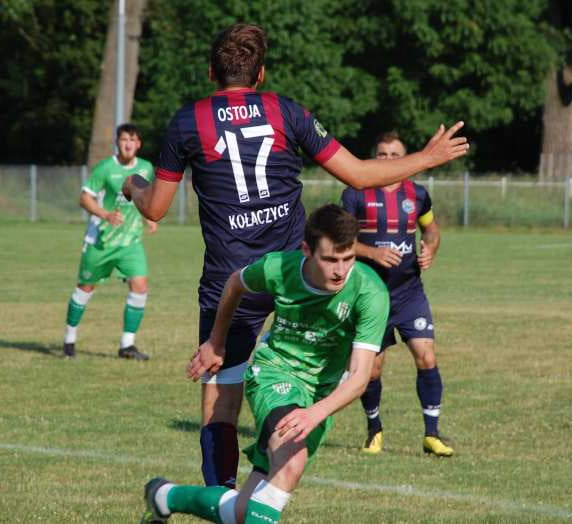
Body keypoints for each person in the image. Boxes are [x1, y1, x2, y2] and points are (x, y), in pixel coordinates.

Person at [123, 23, 468, 488]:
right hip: (299, 273)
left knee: (220, 405)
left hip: (236, 279)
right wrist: (426, 158)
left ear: (211, 72)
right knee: (309, 377)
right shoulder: (286, 112)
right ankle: (274, 474)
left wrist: (133, 185)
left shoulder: (189, 121)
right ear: (260, 74)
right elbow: (362, 175)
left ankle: (224, 495)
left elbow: (156, 208)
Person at [141, 204, 389, 524]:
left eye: (348, 258)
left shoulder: (370, 292)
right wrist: (217, 340)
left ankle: (164, 496)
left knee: (243, 511)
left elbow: (359, 376)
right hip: (275, 373)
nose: (340, 270)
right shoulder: (278, 269)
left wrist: (315, 412)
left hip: (320, 398)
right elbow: (234, 284)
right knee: (291, 461)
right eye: (329, 259)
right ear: (306, 251)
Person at [341, 131, 452, 457]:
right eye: (383, 154)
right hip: (371, 295)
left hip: (409, 293)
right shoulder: (356, 194)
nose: (389, 160)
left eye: (395, 155)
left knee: (427, 356)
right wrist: (371, 253)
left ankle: (432, 433)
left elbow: (431, 231)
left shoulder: (417, 195)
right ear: (374, 157)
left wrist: (429, 250)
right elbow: (339, 240)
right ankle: (374, 428)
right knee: (372, 370)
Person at [62, 123, 156, 360]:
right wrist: (105, 214)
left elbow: (146, 197)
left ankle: (127, 345)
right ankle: (69, 340)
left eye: (133, 140)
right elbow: (84, 198)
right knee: (85, 288)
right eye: (124, 139)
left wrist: (150, 217)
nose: (128, 144)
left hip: (131, 241)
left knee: (140, 287)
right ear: (118, 142)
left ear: (139, 144)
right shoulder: (105, 168)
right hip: (101, 241)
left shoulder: (146, 168)